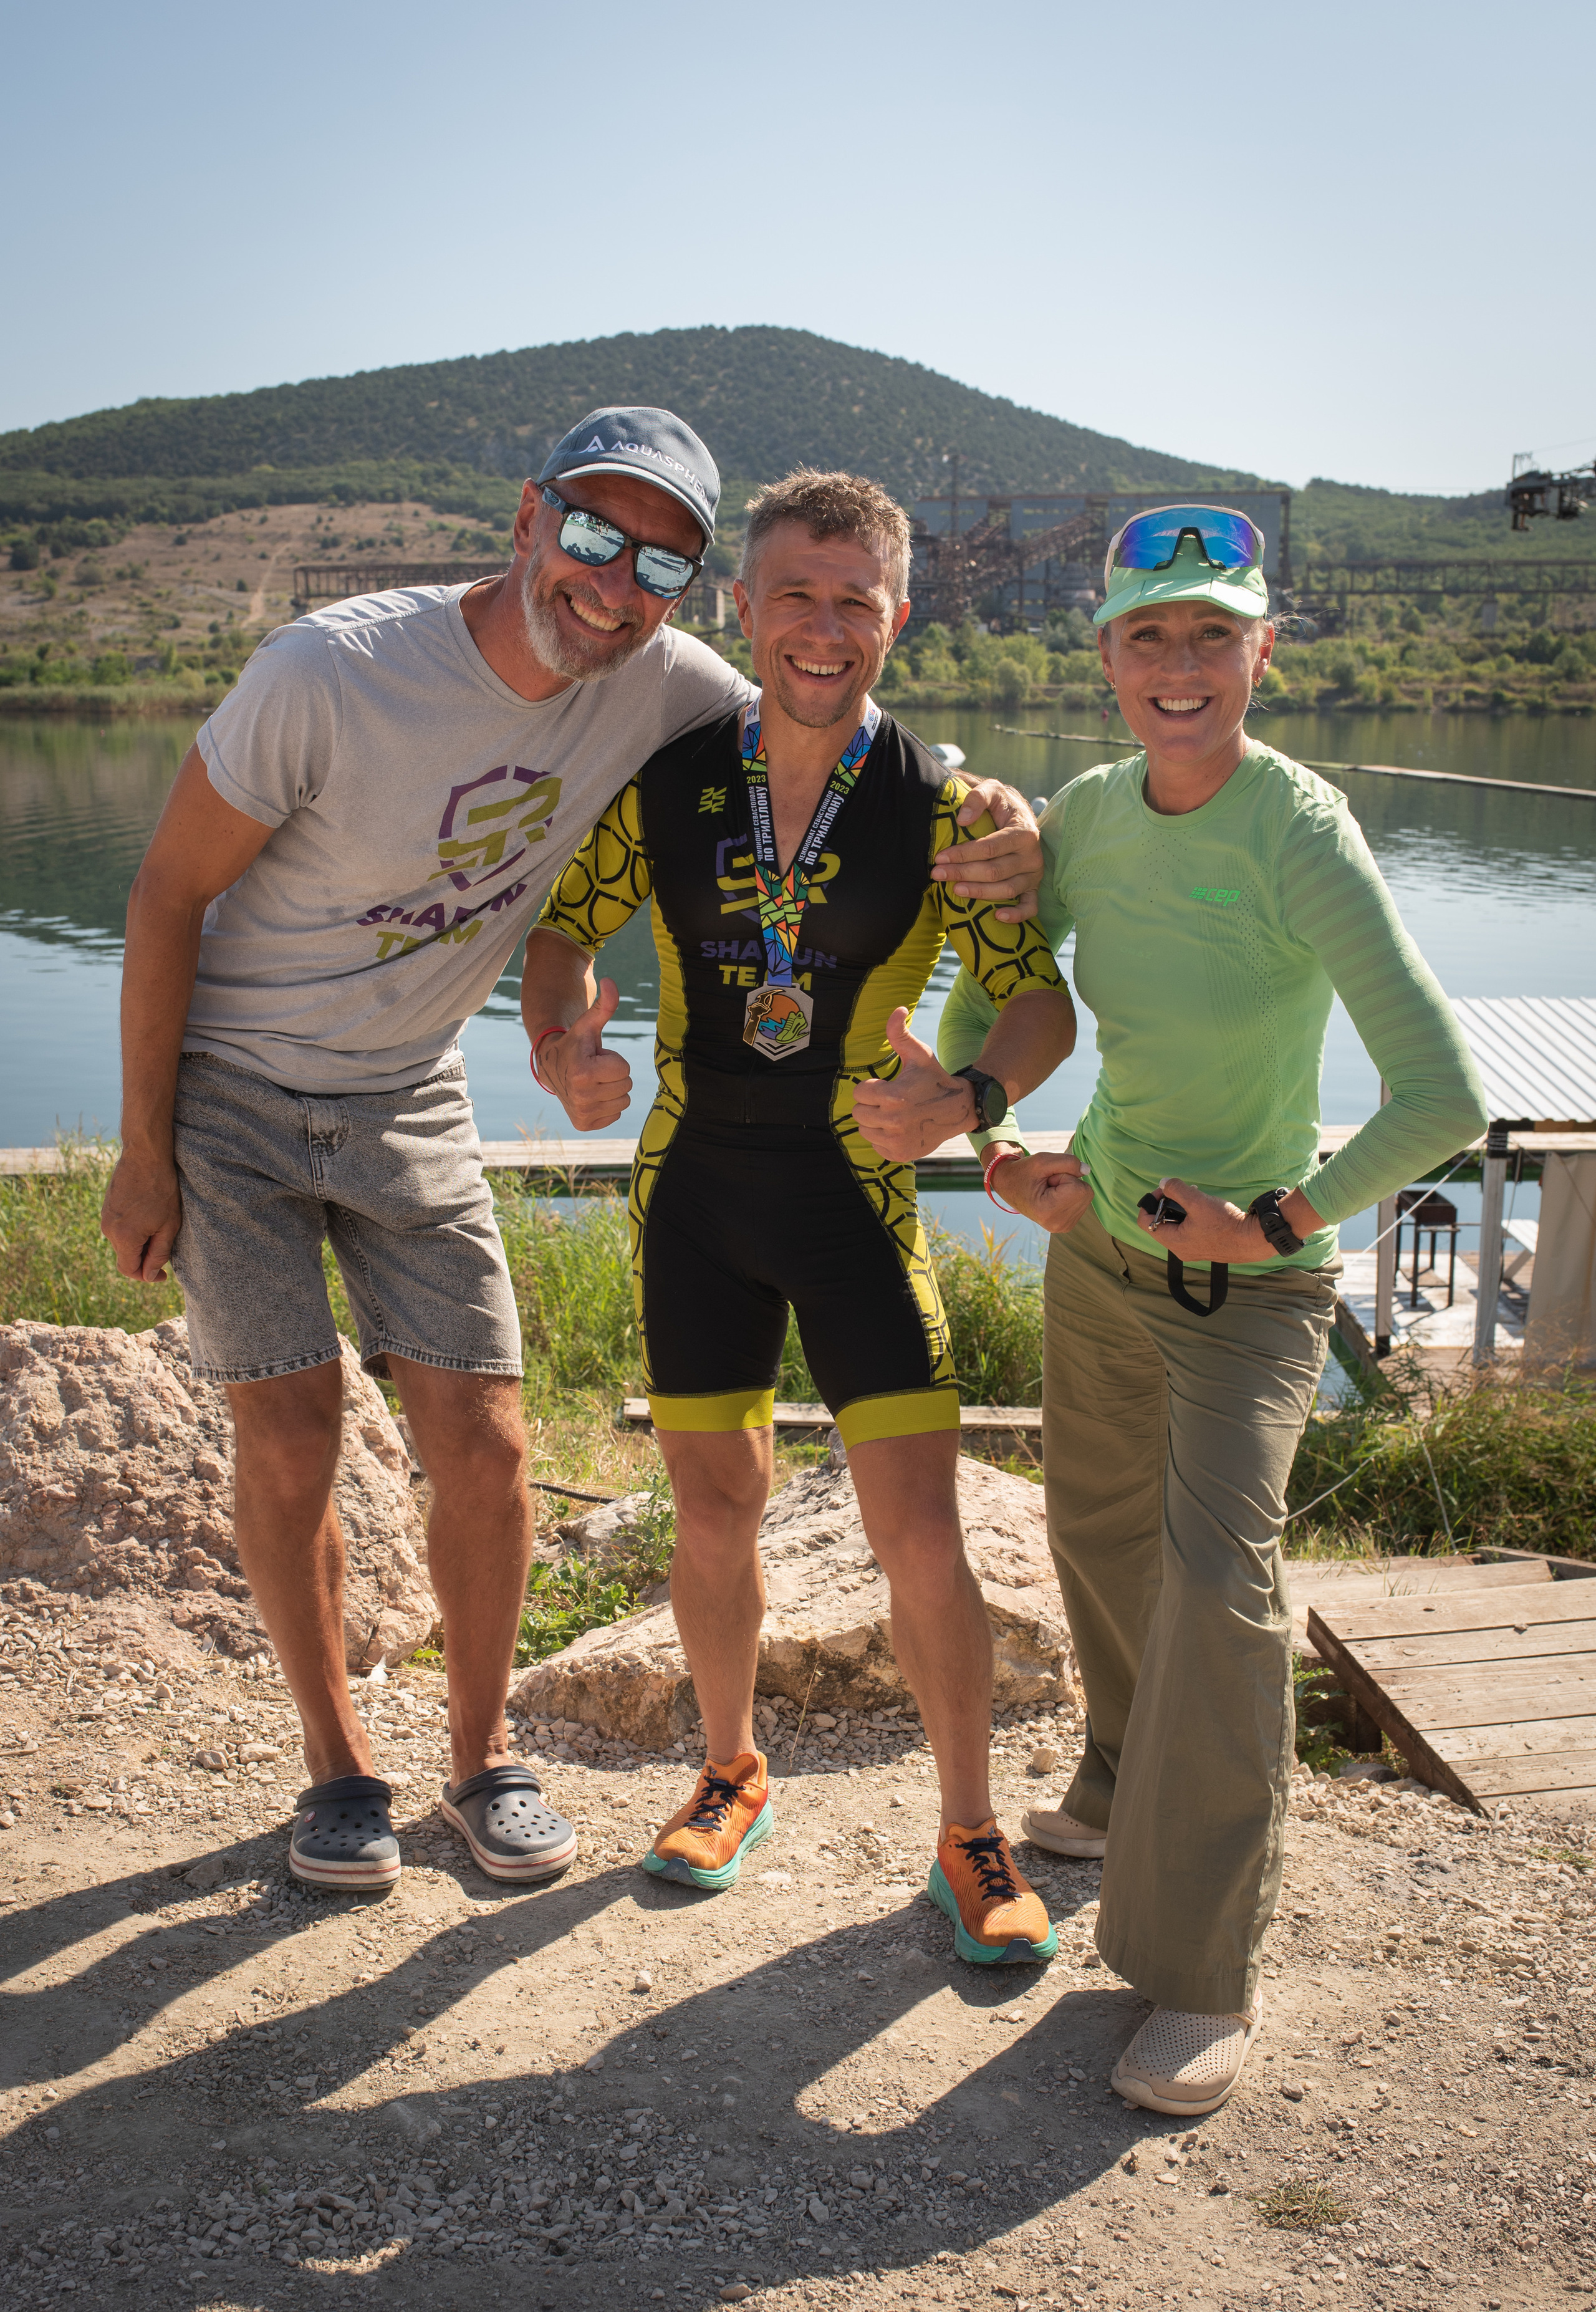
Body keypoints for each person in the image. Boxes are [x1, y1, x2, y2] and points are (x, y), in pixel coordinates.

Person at [97, 406, 1042, 1898]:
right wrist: (146, 1144)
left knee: (520, 1450)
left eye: (657, 557)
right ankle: (375, 1773)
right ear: (531, 519)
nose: (615, 578)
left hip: (489, 1111)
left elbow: (889, 801)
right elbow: (187, 896)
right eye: (595, 534)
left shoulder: (775, 729)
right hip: (284, 1102)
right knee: (306, 1437)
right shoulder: (362, 682)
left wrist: (1003, 881)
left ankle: (523, 1770)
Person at [938, 505, 1487, 2101]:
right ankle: (1116, 1778)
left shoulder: (1297, 830)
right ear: (1104, 656)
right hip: (1100, 1249)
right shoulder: (1087, 819)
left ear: (1261, 651)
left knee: (1218, 1587)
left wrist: (1283, 1220)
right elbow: (1001, 987)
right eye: (1144, 636)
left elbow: (1438, 1091)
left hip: (1253, 1293)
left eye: (1209, 634)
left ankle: (1199, 1972)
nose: (1176, 665)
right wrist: (997, 1134)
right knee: (1096, 1531)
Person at [524, 469, 1077, 1963]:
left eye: (853, 601)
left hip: (853, 1203)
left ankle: (968, 1830)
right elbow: (566, 932)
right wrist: (562, 1039)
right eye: (794, 595)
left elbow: (1037, 1003)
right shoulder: (669, 783)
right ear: (743, 608)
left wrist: (964, 1095)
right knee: (715, 1507)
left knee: (915, 1529)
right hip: (694, 1187)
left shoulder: (953, 817)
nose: (821, 629)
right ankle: (727, 1766)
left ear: (894, 616)